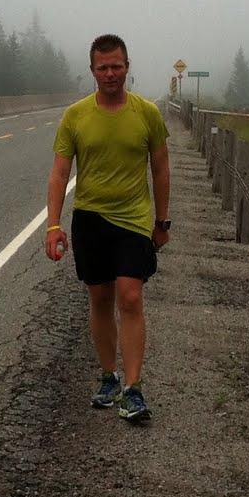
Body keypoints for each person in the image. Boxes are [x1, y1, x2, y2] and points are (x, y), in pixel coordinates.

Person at [45, 33, 171, 423]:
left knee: (130, 298)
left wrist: (162, 222)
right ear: (93, 70)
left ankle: (133, 389)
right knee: (100, 299)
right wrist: (53, 225)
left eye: (117, 66)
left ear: (127, 67)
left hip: (133, 220)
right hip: (90, 219)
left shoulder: (147, 113)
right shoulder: (76, 115)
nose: (111, 73)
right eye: (103, 67)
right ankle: (108, 378)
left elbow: (161, 168)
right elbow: (59, 172)